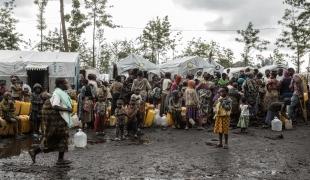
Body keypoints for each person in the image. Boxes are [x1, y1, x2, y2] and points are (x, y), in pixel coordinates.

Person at [28, 78, 72, 165]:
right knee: (58, 137)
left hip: (57, 118)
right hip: (54, 118)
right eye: (66, 83)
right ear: (60, 84)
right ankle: (58, 159)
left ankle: (59, 159)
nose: (67, 85)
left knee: (59, 137)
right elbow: (55, 106)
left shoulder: (60, 93)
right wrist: (67, 109)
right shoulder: (57, 93)